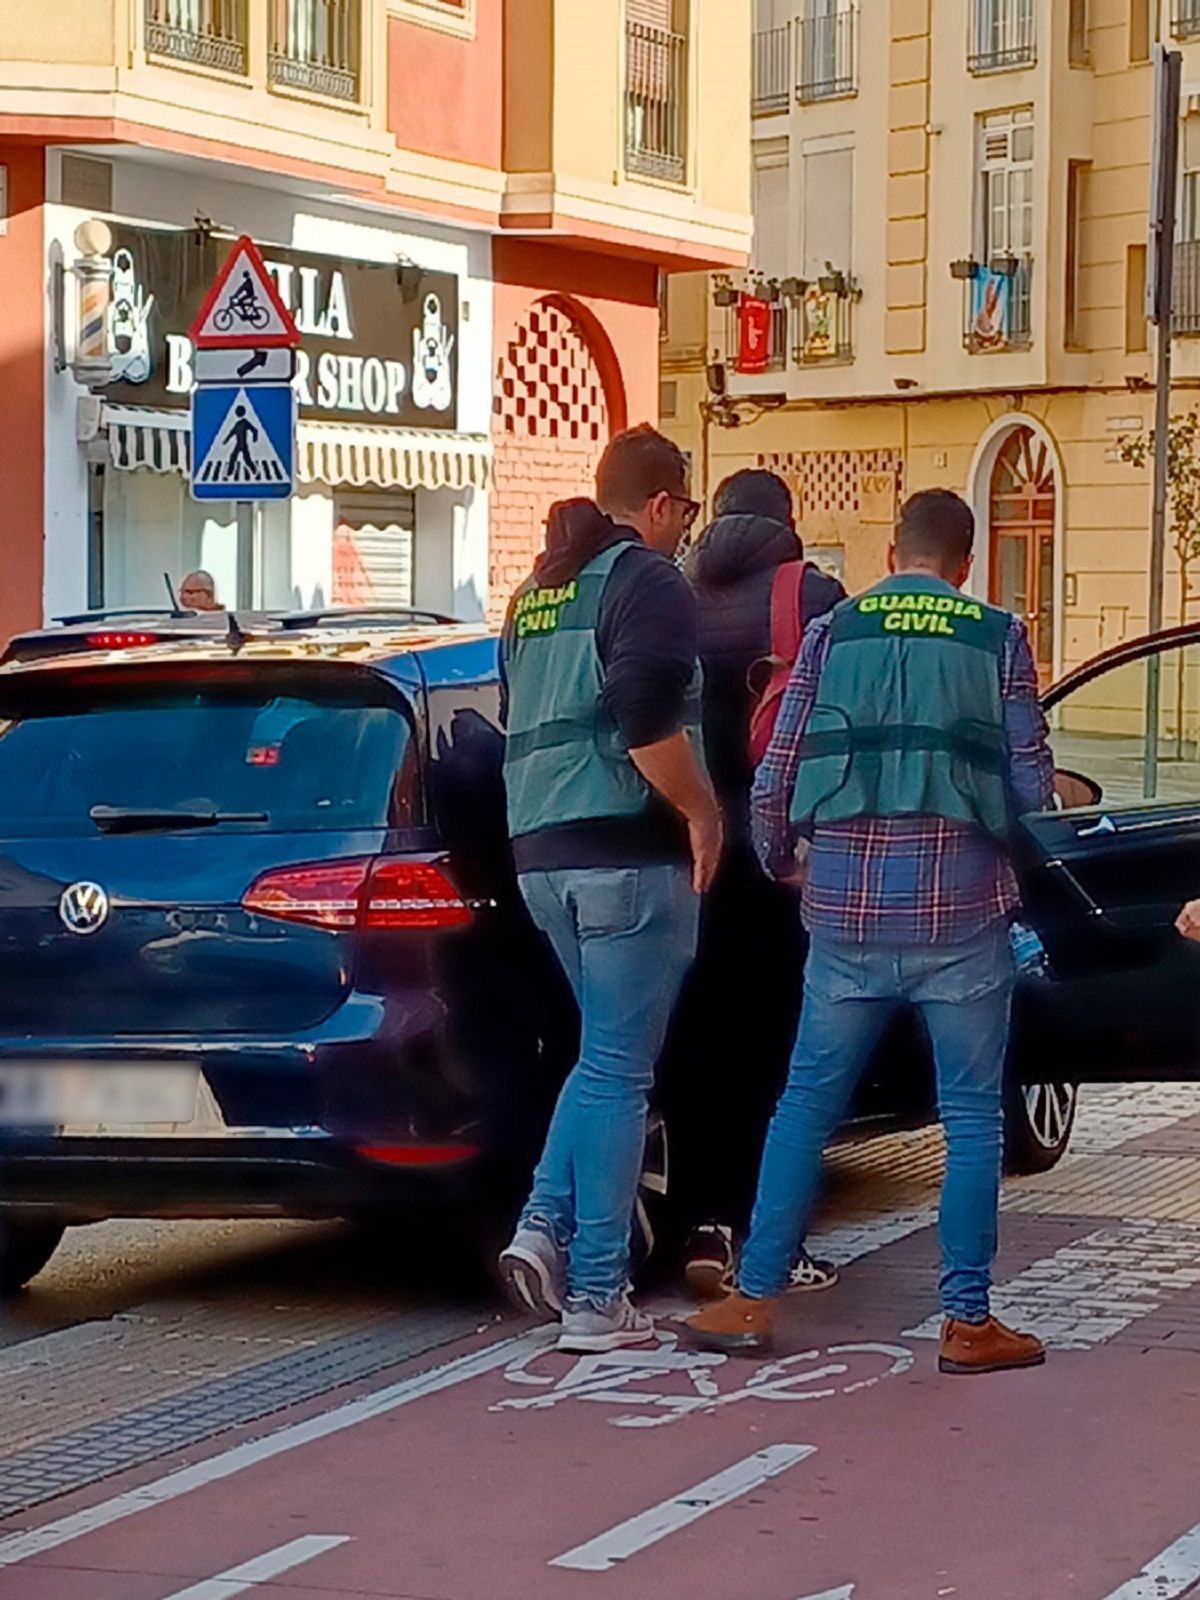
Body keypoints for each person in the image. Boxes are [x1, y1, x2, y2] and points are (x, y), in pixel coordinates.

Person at [687, 489, 1056, 1376]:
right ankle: (967, 1322)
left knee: (804, 1104)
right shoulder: (997, 635)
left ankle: (754, 1296)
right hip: (962, 915)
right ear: (965, 563)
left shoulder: (834, 631)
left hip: (845, 913)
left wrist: (782, 859)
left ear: (894, 552)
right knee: (971, 1119)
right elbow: (1032, 781)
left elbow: (776, 773)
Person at [498, 424, 723, 1355]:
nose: (684, 530)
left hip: (539, 855)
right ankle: (597, 1293)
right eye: (686, 512)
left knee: (600, 1059)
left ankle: (540, 1230)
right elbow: (643, 718)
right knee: (623, 1072)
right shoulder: (648, 580)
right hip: (627, 855)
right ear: (663, 505)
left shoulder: (536, 590)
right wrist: (705, 813)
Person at [663, 469, 844, 1299]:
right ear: (787, 524)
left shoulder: (671, 589)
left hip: (688, 848)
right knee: (781, 1052)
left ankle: (701, 1221)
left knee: (697, 1040)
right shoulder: (810, 595)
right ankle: (773, 1238)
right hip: (782, 858)